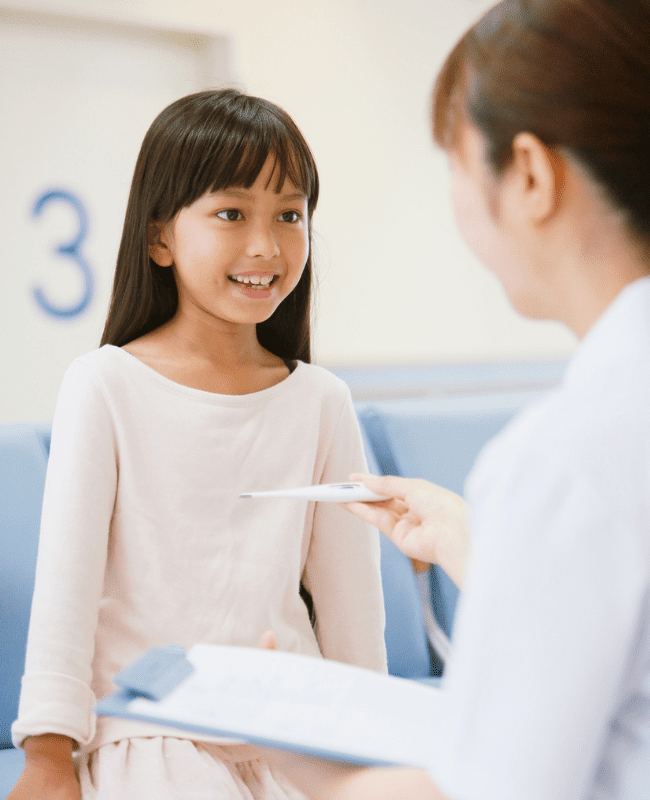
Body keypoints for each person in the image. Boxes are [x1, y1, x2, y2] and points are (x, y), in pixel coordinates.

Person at [256, 1, 650, 798]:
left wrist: (310, 769)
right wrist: (484, 550)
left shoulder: (564, 457)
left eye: (458, 166)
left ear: (532, 176)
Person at [8, 89, 387, 800]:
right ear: (159, 238)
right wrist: (49, 756)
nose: (265, 247)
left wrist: (369, 756)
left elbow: (351, 611)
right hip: (154, 734)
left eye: (290, 215)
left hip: (291, 736)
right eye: (230, 213)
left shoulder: (321, 401)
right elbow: (67, 590)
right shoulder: (104, 385)